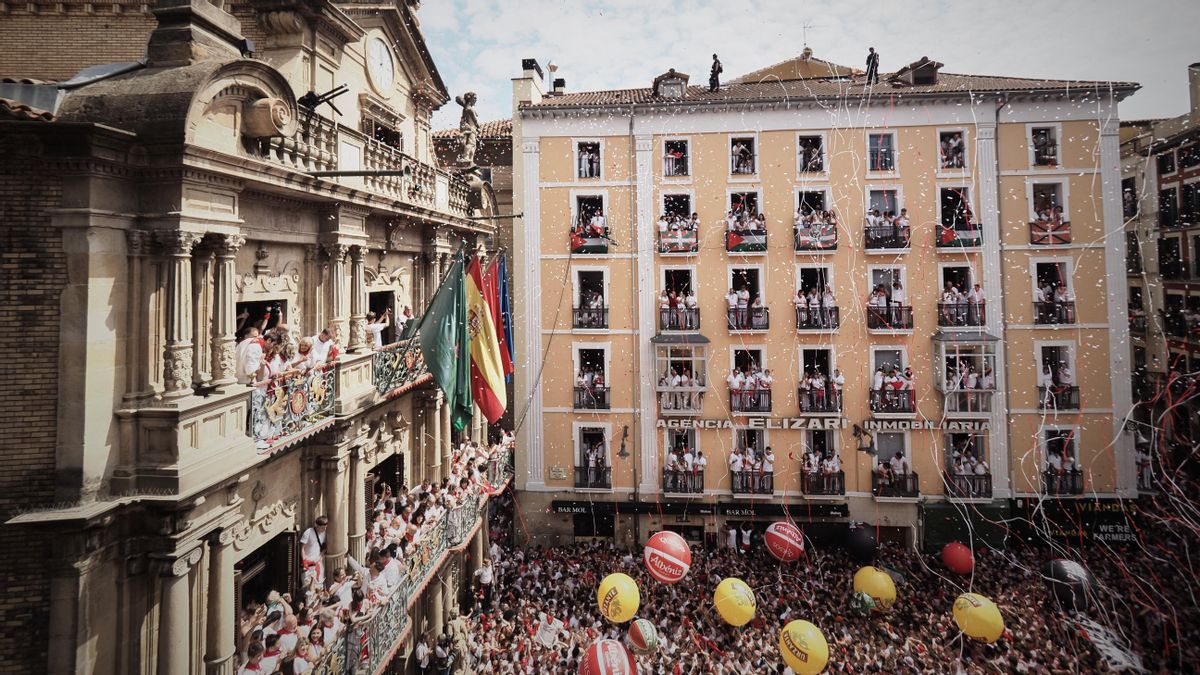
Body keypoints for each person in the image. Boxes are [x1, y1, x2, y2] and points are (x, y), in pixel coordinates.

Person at [300, 516, 328, 587]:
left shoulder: (324, 533)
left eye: (325, 527)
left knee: (319, 586)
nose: (324, 529)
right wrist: (304, 562)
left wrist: (320, 556)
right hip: (308, 565)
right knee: (307, 586)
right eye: (322, 527)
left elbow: (324, 548)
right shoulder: (308, 532)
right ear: (317, 525)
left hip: (318, 563)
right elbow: (302, 548)